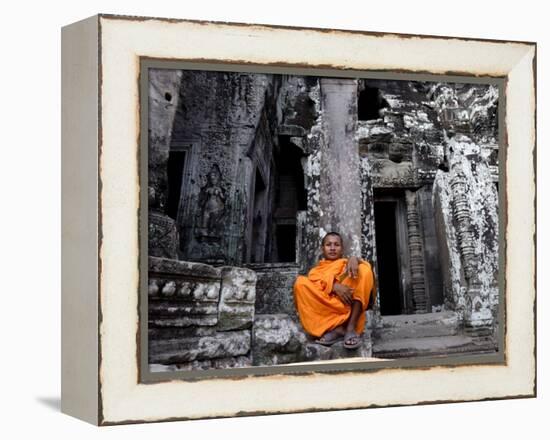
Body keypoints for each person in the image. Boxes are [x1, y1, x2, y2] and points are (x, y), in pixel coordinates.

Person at [293, 232, 375, 349]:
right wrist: (334, 286)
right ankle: (337, 329)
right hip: (329, 309)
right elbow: (315, 283)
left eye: (336, 245)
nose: (332, 248)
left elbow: (363, 274)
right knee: (300, 283)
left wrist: (354, 259)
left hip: (348, 305)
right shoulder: (316, 271)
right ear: (322, 249)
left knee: (364, 270)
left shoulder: (347, 264)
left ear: (342, 249)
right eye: (328, 245)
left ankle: (350, 328)